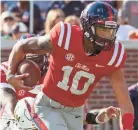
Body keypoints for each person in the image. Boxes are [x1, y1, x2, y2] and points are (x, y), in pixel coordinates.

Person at [7, 2, 134, 130]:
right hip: (48, 106)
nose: (107, 36)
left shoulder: (113, 55)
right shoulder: (66, 36)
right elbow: (21, 46)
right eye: (102, 29)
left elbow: (125, 105)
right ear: (87, 26)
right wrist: (10, 74)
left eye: (110, 31)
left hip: (76, 113)